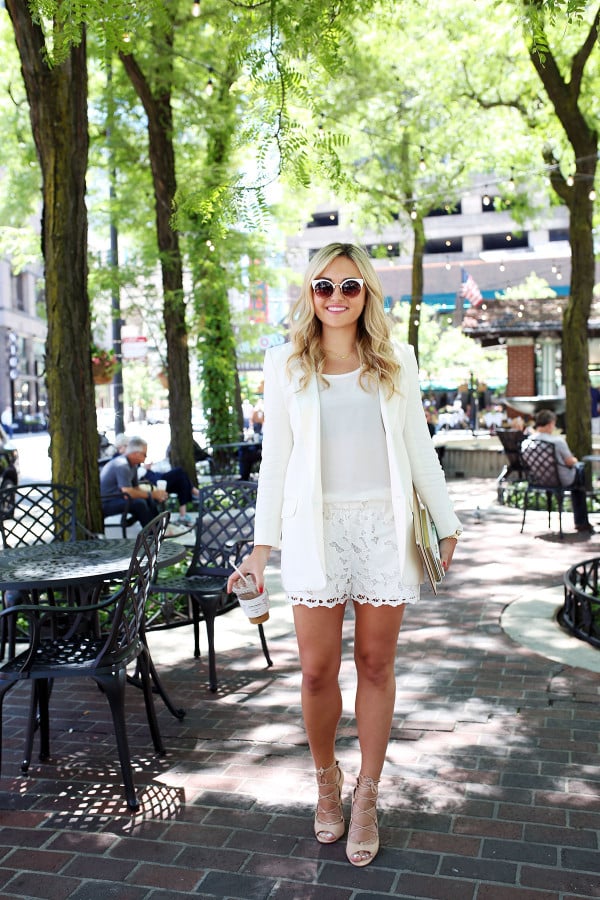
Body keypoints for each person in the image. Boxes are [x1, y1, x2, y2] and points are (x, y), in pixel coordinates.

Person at [227, 243, 462, 867]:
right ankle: (326, 780)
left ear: (367, 294)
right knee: (315, 672)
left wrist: (446, 521)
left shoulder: (396, 361)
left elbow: (419, 450)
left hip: (385, 531)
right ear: (309, 294)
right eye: (323, 286)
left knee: (377, 664)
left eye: (349, 286)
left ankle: (367, 794)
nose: (335, 297)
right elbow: (273, 462)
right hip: (313, 534)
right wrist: (259, 550)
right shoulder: (285, 364)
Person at [521, 409, 593, 534]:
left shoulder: (526, 443)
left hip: (538, 480)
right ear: (550, 424)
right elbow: (570, 461)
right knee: (580, 473)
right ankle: (581, 522)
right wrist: (576, 461)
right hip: (560, 479)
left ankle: (581, 522)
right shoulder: (557, 441)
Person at [114, 433, 199, 524]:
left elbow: (134, 482)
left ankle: (182, 514)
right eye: (127, 446)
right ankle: (195, 492)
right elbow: (128, 488)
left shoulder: (129, 460)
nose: (129, 448)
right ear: (121, 447)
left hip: (151, 479)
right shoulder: (121, 462)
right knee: (179, 473)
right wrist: (151, 493)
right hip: (149, 482)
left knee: (181, 480)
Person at [100, 436, 168, 527]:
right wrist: (153, 494)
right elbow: (128, 493)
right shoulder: (122, 465)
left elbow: (135, 488)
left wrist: (156, 494)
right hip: (107, 502)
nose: (146, 457)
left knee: (149, 500)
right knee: (140, 503)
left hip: (119, 497)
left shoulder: (133, 465)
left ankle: (158, 528)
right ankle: (151, 534)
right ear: (136, 454)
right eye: (144, 454)